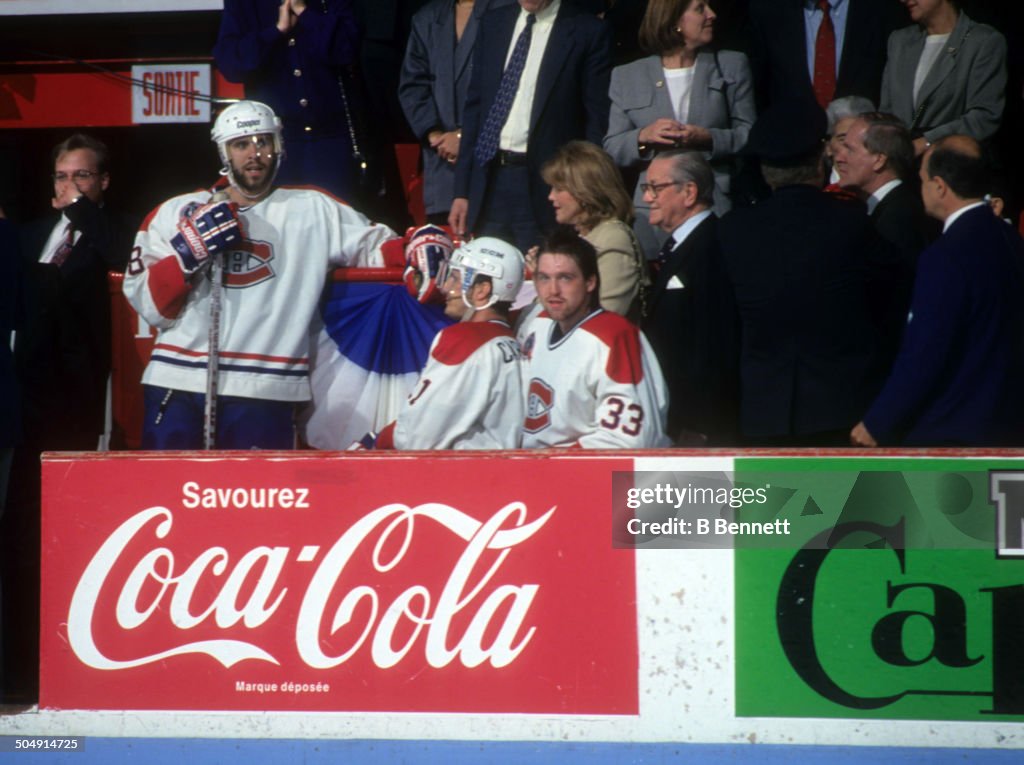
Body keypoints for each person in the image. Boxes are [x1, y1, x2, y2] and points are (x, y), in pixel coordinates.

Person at [123, 100, 396, 449]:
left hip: (267, 388)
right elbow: (150, 307)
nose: (254, 153)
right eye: (241, 145)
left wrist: (421, 243)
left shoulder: (314, 208)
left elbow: (380, 247)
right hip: (178, 382)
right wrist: (187, 253)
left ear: (278, 146)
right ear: (224, 152)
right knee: (169, 495)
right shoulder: (173, 212)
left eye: (263, 142)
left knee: (256, 501)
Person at [719, 98, 884, 446]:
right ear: (819, 160)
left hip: (761, 412)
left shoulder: (733, 230)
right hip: (842, 410)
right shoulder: (853, 221)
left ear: (765, 170)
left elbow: (722, 324)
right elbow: (884, 310)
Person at [851, 136, 1024, 447]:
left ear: (940, 187)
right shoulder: (1011, 241)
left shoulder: (945, 257)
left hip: (954, 433)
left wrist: (876, 423)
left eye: (922, 181)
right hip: (1008, 424)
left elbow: (926, 350)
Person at [449, 0, 613, 253]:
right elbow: (475, 108)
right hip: (489, 180)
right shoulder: (494, 23)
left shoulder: (586, 30)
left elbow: (596, 118)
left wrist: (582, 187)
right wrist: (462, 190)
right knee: (485, 281)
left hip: (549, 187)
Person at [604, 0, 755, 258]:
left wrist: (708, 139)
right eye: (700, 8)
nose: (712, 14)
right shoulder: (627, 75)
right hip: (652, 213)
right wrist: (644, 137)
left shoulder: (731, 65)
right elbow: (612, 147)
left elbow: (750, 135)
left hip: (715, 203)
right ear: (673, 20)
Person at [521, 228, 670, 448]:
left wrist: (551, 465)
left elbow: (627, 440)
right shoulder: (537, 325)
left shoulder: (616, 336)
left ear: (590, 282)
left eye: (565, 278)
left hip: (586, 475)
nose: (552, 290)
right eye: (544, 278)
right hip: (530, 466)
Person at [373, 236, 526, 449]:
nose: (445, 287)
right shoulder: (514, 340)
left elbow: (416, 436)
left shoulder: (464, 339)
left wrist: (376, 440)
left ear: (482, 290)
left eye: (455, 278)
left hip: (464, 475)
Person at [213, 0, 364, 200]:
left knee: (338, 221)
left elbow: (346, 50)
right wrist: (276, 31)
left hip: (331, 139)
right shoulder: (243, 4)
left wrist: (305, 13)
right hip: (273, 145)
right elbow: (231, 64)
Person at [641, 150, 738, 445]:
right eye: (646, 188)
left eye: (656, 188)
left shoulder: (714, 247)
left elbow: (717, 345)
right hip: (674, 416)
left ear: (689, 192)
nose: (647, 198)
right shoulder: (678, 247)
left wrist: (701, 423)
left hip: (699, 425)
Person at [834, 111, 936, 367]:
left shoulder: (899, 219)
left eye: (850, 149)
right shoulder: (884, 210)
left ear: (879, 160)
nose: (838, 157)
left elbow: (890, 305)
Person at [400, 0, 515, 225]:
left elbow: (512, 86)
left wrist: (465, 137)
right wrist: (434, 135)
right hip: (442, 160)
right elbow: (412, 85)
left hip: (491, 162)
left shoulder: (507, 10)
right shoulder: (427, 17)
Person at [879, 0, 1006, 156]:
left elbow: (983, 117)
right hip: (898, 163)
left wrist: (926, 142)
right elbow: (886, 112)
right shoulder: (899, 41)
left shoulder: (982, 42)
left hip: (950, 162)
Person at [540, 141, 647, 320]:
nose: (550, 197)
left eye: (559, 189)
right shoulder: (583, 237)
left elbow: (606, 315)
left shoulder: (613, 239)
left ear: (585, 191)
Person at [747, 0, 907, 112]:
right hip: (793, 146)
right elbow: (760, 90)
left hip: (861, 146)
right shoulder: (767, 12)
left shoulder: (884, 10)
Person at [824, 94, 875, 188]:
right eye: (842, 139)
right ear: (828, 147)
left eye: (860, 139)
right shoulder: (816, 189)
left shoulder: (877, 190)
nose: (852, 146)